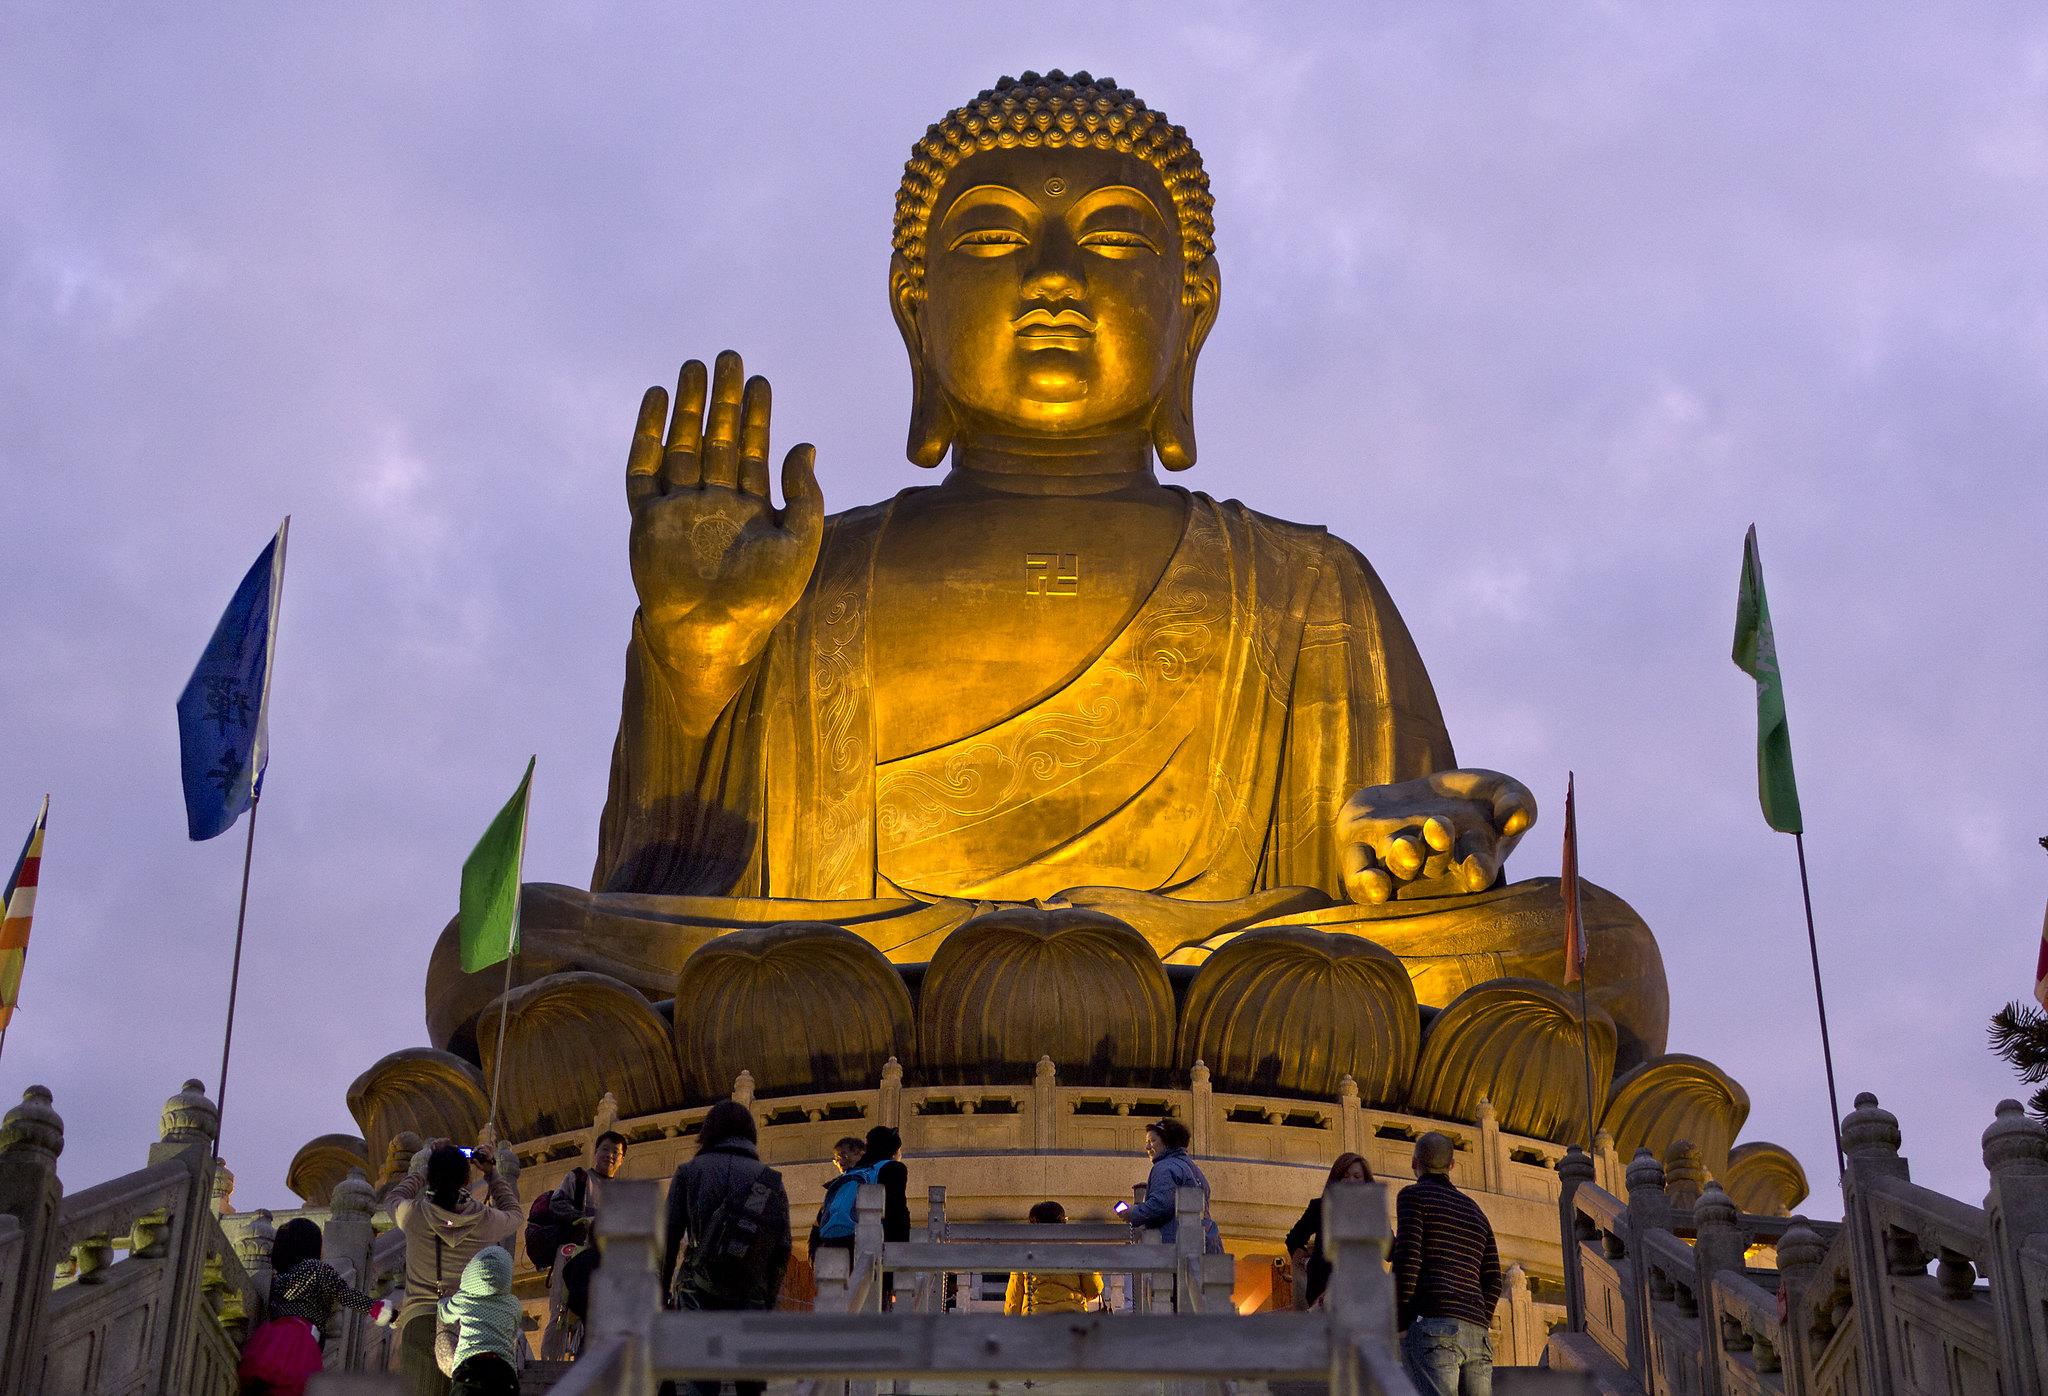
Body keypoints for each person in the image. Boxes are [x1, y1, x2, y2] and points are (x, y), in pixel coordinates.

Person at [661, 1100, 793, 1396]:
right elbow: (783, 1246)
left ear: (708, 1131)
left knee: (701, 1378)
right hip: (751, 1289)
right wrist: (770, 1297)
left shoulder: (689, 1171)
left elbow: (667, 1240)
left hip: (698, 1288)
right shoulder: (769, 1179)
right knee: (751, 1382)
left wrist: (662, 1293)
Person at [386, 1139, 523, 1396]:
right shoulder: (485, 1219)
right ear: (465, 1179)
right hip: (470, 1325)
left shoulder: (413, 1215)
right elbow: (515, 1213)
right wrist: (491, 1171)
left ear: (431, 1177)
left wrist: (423, 1170)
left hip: (421, 1321)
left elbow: (393, 1197)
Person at [1392, 1132, 1501, 1396]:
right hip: (1477, 1332)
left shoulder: (1413, 1197)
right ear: (1452, 1165)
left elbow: (1407, 1262)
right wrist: (1479, 1320)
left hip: (1433, 1324)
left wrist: (1401, 1322)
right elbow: (1494, 1279)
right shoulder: (1476, 1212)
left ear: (1414, 1162)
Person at [237, 1217, 395, 1395]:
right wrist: (378, 1309)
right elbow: (344, 1294)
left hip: (270, 1339)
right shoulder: (316, 1269)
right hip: (299, 1339)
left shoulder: (278, 1277)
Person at [811, 1126, 909, 1307]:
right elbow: (898, 1215)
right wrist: (899, 1261)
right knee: (871, 1309)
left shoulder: (851, 1173)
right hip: (866, 1248)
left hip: (832, 1246)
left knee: (839, 1309)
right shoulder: (892, 1168)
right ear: (894, 1150)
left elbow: (822, 1216)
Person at [528, 1130, 626, 1275]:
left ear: (622, 1159)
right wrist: (582, 1219)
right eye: (605, 1149)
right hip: (573, 1254)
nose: (610, 1155)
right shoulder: (580, 1178)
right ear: (596, 1152)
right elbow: (557, 1203)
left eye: (615, 1152)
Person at [1287, 1152, 1374, 1309]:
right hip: (1323, 1293)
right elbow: (1294, 1239)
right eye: (1345, 1176)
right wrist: (1307, 1262)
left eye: (1357, 1176)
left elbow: (1390, 1250)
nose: (1350, 1181)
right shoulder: (1320, 1207)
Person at [1125, 1118, 1223, 1254]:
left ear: (1167, 1141)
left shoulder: (1165, 1167)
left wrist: (1133, 1213)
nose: (1147, 1147)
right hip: (1207, 1243)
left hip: (1178, 1248)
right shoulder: (1193, 1169)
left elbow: (1162, 1204)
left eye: (1152, 1141)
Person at [437, 1245, 522, 1396]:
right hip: (503, 1369)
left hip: (471, 1366)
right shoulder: (513, 1304)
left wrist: (443, 1300)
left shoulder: (465, 1299)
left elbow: (444, 1313)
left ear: (471, 1273)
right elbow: (513, 1330)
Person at [1004, 1201, 1102, 1315]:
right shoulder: (1077, 1249)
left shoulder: (1024, 1253)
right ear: (1063, 1222)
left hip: (1035, 1320)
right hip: (1072, 1318)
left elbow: (1014, 1299)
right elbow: (1093, 1290)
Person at [806, 1135, 870, 1259]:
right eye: (837, 1159)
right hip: (830, 1248)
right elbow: (817, 1228)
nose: (841, 1162)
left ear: (860, 1155)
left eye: (844, 1156)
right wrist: (815, 1259)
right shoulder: (835, 1188)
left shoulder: (871, 1180)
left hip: (858, 1247)